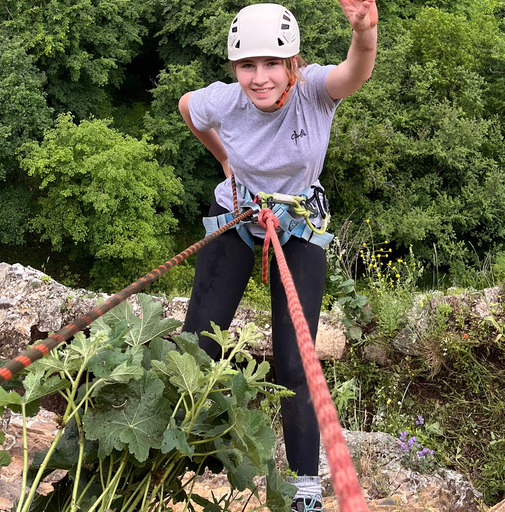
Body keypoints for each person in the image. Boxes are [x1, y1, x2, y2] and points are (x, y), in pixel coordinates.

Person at [178, 2, 377, 511]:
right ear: (235, 69)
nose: (260, 78)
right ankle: (186, 455)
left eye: (272, 64)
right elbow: (188, 108)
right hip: (239, 215)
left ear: (292, 63)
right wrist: (224, 158)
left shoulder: (313, 91)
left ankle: (306, 489)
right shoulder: (225, 100)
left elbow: (354, 73)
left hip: (298, 223)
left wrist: (364, 33)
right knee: (199, 345)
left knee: (295, 362)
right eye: (248, 66)